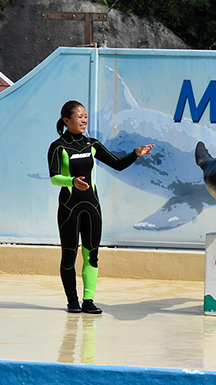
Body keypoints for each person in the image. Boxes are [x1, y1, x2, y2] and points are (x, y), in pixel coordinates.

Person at [48, 100, 155, 313]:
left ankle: (88, 301)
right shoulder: (58, 147)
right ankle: (72, 301)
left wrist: (136, 153)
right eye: (79, 117)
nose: (84, 120)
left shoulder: (92, 145)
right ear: (66, 120)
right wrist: (72, 182)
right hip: (70, 208)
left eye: (85, 116)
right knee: (69, 255)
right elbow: (54, 177)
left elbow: (117, 164)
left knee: (92, 254)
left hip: (92, 207)